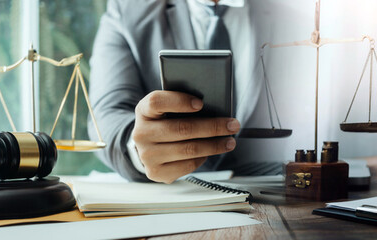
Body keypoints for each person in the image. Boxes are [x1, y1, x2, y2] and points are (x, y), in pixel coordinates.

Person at [88, 0, 279, 183]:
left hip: (272, 196)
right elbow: (106, 115)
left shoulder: (292, 12)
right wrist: (139, 150)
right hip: (176, 198)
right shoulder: (128, 11)